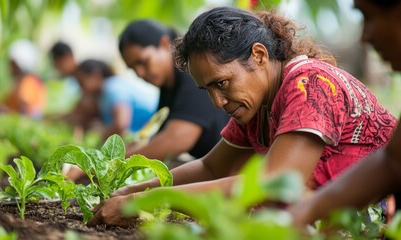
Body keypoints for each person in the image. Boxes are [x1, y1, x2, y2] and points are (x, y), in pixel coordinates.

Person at [85, 7, 397, 227]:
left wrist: (150, 200)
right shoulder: (258, 105)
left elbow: (273, 181)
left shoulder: (309, 84)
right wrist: (135, 190)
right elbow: (210, 166)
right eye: (207, 89)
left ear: (259, 56)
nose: (218, 101)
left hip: (372, 221)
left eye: (222, 83)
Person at [65, 19, 230, 182]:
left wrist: (104, 167)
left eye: (143, 62)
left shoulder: (191, 74)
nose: (140, 73)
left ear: (164, 43)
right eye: (133, 69)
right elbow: (155, 139)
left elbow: (176, 139)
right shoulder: (168, 89)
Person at [288, 0, 401, 226]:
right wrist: (306, 211)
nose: (364, 37)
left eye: (368, 17)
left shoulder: (307, 81)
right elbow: (392, 161)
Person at [75, 59, 158, 140]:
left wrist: (102, 138)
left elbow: (121, 124)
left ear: (96, 75)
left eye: (81, 82)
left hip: (153, 132)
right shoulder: (102, 96)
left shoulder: (112, 87)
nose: (80, 88)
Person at [5, 39, 46, 119]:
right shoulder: (26, 80)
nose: (10, 68)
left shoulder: (28, 81)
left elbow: (24, 110)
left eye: (13, 65)